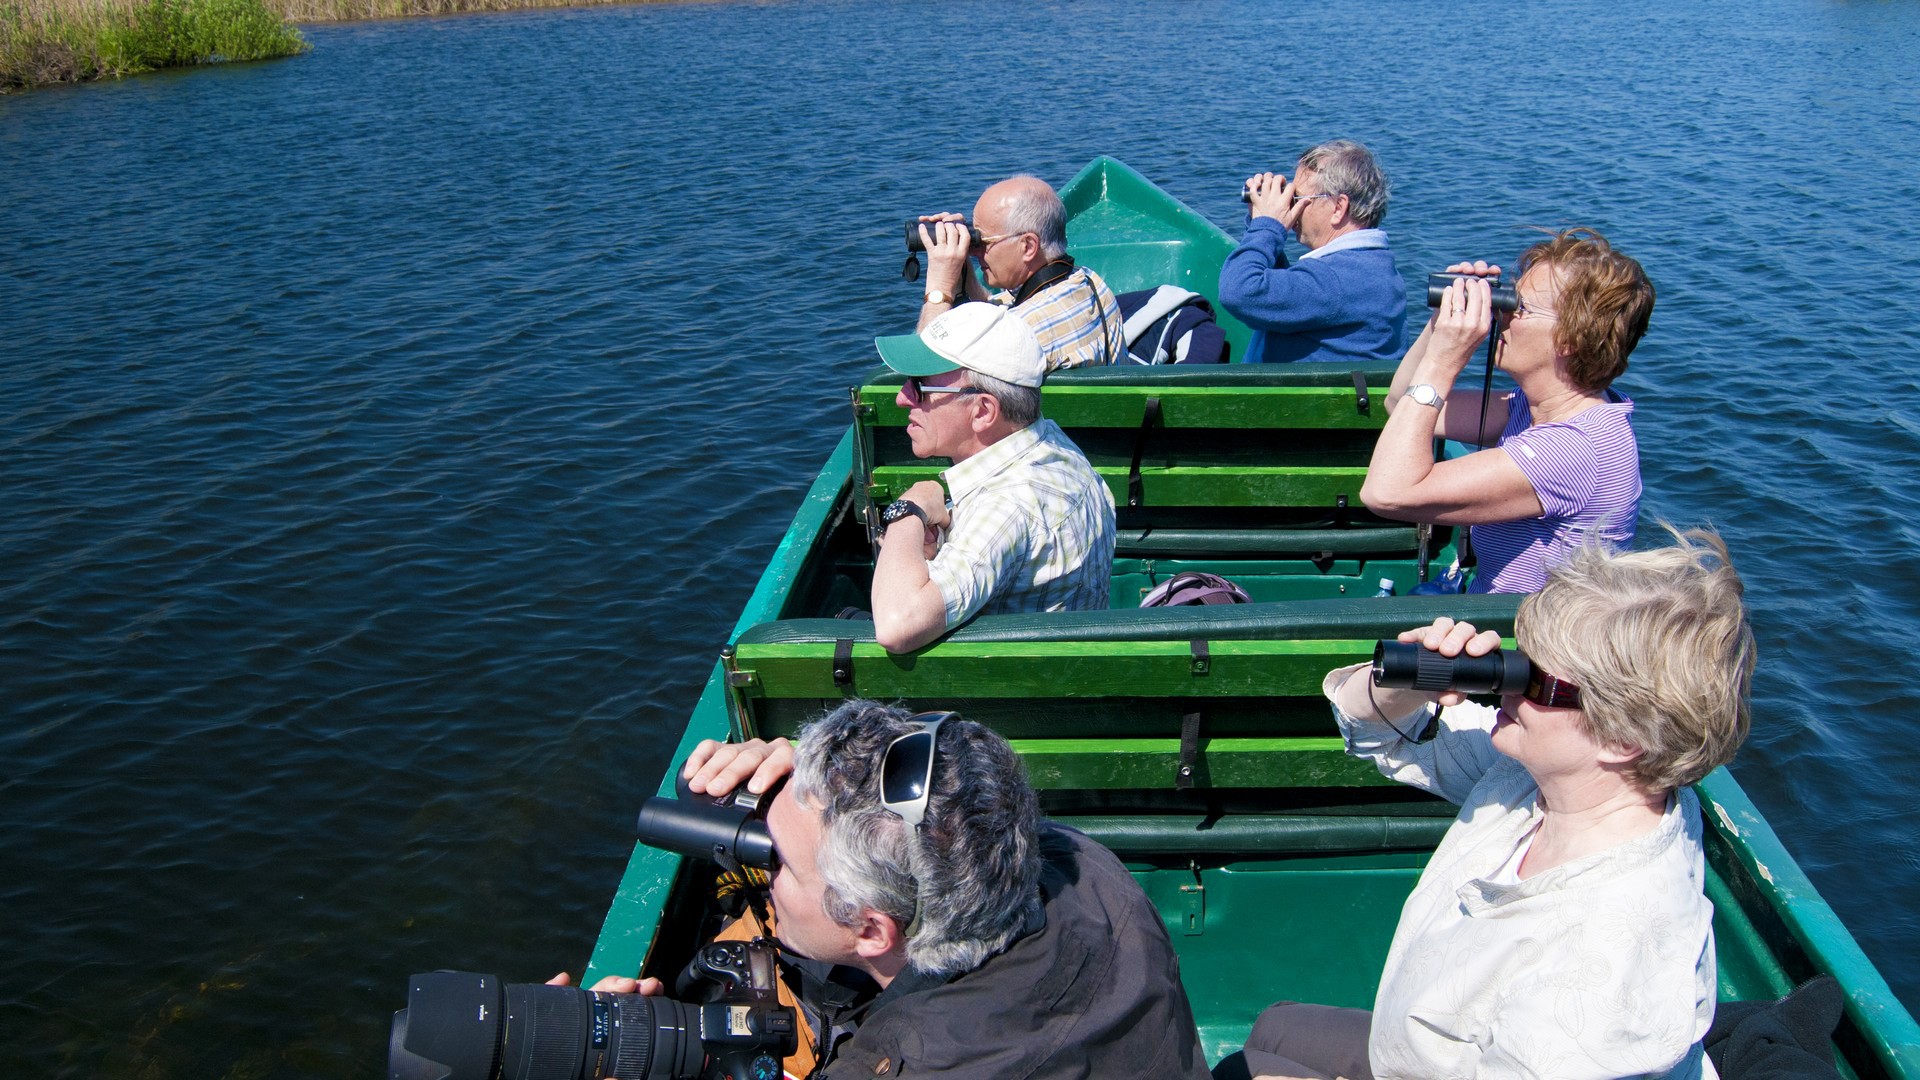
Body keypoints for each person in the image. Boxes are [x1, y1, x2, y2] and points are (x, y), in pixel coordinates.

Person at [1236, 529, 1754, 1080]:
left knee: (1233, 1071)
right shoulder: (1546, 783)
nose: (1507, 687)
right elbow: (1379, 736)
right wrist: (1410, 677)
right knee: (1274, 1027)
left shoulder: (1607, 963)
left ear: (1623, 737)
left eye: (1538, 682)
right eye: (1517, 663)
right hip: (1423, 1052)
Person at [560, 701, 1216, 1080]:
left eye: (779, 862)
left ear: (872, 930)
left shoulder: (900, 1065)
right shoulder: (1082, 867)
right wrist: (825, 784)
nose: (762, 873)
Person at [1361, 228, 1651, 594]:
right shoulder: (1535, 408)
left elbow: (1386, 492)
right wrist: (1440, 325)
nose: (1501, 315)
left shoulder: (1574, 449)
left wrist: (1446, 359)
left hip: (1526, 641)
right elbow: (1401, 400)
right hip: (1490, 619)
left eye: (1520, 307)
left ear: (1570, 339)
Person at [866, 303, 1117, 653]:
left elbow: (897, 625)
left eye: (921, 387)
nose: (902, 397)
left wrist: (909, 509)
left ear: (983, 411)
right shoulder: (1053, 444)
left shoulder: (1006, 504)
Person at [1218, 140, 1406, 365]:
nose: (1291, 206)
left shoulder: (1334, 280)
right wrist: (1259, 220)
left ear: (1338, 207)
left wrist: (1266, 226)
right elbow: (1279, 304)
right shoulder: (1369, 266)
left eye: (1297, 197)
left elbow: (1238, 292)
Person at [916, 174, 1126, 371]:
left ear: (1027, 246)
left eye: (983, 241)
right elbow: (993, 315)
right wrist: (961, 264)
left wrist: (939, 285)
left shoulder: (1019, 335)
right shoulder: (1090, 281)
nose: (975, 250)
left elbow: (926, 369)